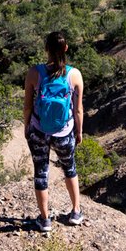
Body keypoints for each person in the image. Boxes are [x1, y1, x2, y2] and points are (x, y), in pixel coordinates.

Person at [23, 30, 85, 232]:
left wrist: (27, 126)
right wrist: (79, 131)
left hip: (39, 130)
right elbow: (78, 109)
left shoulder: (35, 72)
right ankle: (75, 212)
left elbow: (27, 106)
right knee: (70, 168)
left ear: (46, 49)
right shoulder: (74, 74)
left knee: (41, 172)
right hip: (64, 131)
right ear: (66, 48)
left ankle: (45, 219)